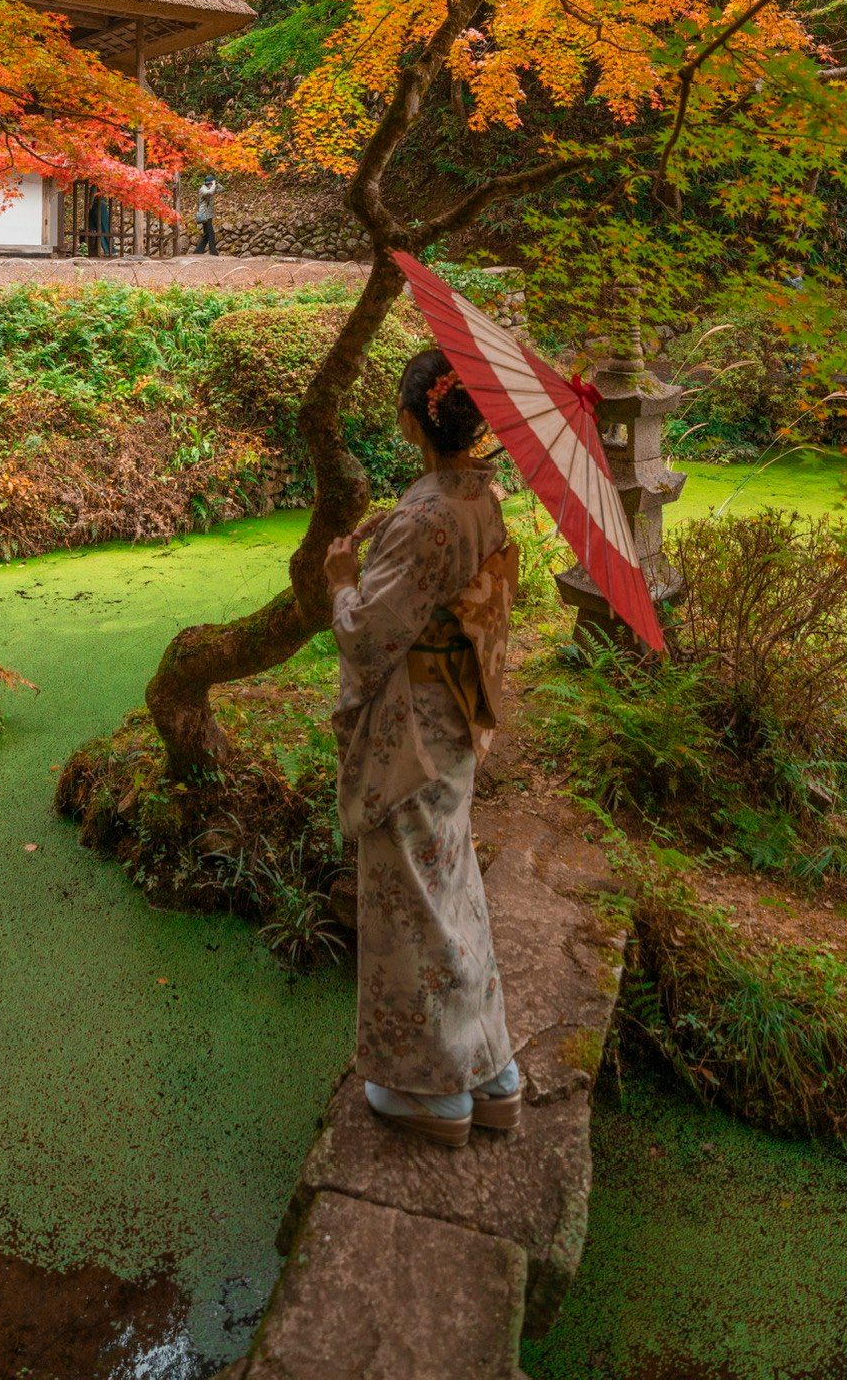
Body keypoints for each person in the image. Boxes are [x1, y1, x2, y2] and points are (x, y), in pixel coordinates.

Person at [323, 349, 522, 1150]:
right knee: (454, 886)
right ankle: (493, 1071)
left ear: (412, 422)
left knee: (413, 899)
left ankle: (434, 1095)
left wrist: (342, 576)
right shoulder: (480, 495)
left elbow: (368, 635)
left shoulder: (427, 514)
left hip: (410, 727)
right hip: (457, 711)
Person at [194, 175, 219, 254]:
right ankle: (213, 252)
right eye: (211, 183)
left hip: (209, 214)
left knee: (206, 234)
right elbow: (210, 192)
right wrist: (214, 185)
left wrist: (216, 183)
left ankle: (198, 251)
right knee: (210, 233)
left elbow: (222, 189)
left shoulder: (210, 187)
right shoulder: (203, 189)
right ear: (209, 183)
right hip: (205, 214)